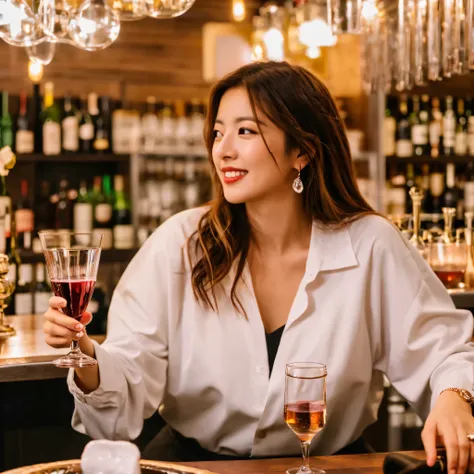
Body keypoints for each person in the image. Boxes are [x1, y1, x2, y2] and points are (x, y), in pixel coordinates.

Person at [44, 61, 474, 472]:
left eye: (245, 131)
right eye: (217, 132)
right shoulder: (180, 243)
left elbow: (445, 350)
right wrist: (84, 355)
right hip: (196, 467)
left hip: (328, 467)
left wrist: (454, 396)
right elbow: (121, 404)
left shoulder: (370, 243)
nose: (223, 150)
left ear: (302, 150)